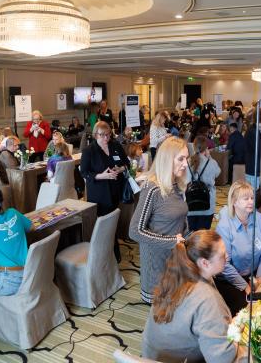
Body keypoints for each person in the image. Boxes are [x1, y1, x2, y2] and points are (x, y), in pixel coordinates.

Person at [143, 230, 240, 362]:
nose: (227, 256)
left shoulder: (176, 275)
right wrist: (237, 337)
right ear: (205, 263)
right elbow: (222, 359)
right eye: (222, 255)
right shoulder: (207, 299)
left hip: (150, 356)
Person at [129, 137, 189, 304]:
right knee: (162, 311)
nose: (185, 164)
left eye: (186, 158)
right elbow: (134, 231)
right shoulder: (152, 189)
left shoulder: (177, 184)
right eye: (181, 159)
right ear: (167, 160)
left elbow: (180, 220)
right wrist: (171, 241)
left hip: (175, 258)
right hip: (157, 262)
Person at [215, 180, 261, 315]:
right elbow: (225, 264)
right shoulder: (224, 227)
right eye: (246, 199)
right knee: (248, 312)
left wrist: (260, 275)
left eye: (252, 198)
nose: (251, 202)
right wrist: (245, 286)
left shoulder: (260, 219)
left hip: (254, 274)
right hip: (231, 280)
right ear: (234, 202)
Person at [80, 121, 129, 262]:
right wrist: (102, 176)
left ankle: (113, 253)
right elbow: (84, 173)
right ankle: (109, 255)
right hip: (99, 194)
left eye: (108, 135)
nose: (106, 138)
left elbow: (126, 163)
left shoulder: (115, 146)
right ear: (96, 135)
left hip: (116, 190)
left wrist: (120, 169)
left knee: (113, 222)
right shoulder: (89, 151)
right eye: (102, 135)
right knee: (104, 225)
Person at [186, 136, 221, 232]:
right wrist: (209, 156)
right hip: (207, 206)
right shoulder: (211, 162)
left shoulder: (187, 162)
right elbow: (218, 173)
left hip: (190, 205)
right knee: (204, 236)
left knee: (191, 235)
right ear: (206, 148)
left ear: (194, 147)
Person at [244, 110, 261, 189]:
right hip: (253, 167)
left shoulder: (256, 130)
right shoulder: (253, 132)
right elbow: (259, 150)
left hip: (255, 166)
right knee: (252, 192)